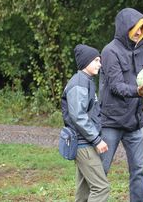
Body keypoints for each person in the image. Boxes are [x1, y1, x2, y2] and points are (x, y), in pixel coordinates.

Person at [99, 8, 143, 202]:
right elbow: (116, 86)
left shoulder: (141, 48)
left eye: (142, 28)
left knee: (138, 170)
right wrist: (138, 92)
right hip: (111, 122)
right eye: (135, 28)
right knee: (100, 170)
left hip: (135, 121)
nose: (138, 32)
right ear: (124, 28)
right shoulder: (110, 51)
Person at [61, 44, 109, 202]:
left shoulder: (86, 80)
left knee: (84, 191)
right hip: (83, 144)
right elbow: (78, 116)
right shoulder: (79, 83)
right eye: (96, 60)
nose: (99, 64)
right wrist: (96, 139)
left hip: (85, 142)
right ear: (85, 62)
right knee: (101, 188)